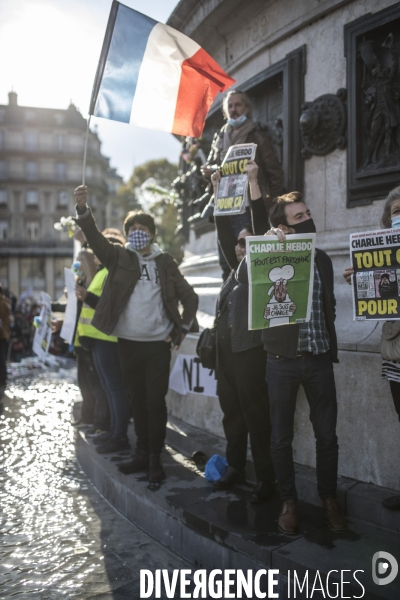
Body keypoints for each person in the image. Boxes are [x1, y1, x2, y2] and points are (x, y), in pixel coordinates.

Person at [73, 186, 198, 483]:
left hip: (157, 346)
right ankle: (141, 452)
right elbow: (94, 239)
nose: (138, 233)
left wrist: (179, 329)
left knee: (155, 402)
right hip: (127, 344)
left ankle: (155, 458)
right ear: (128, 233)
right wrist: (82, 210)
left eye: (143, 228)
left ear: (152, 234)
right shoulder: (119, 258)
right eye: (133, 228)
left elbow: (190, 298)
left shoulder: (165, 262)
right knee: (136, 401)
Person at [238, 191, 346, 535]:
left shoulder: (324, 259)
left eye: (308, 213)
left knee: (327, 436)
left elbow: (329, 305)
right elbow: (242, 280)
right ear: (283, 226)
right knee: (280, 437)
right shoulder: (271, 255)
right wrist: (263, 247)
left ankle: (329, 500)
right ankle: (289, 502)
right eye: (299, 217)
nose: (308, 219)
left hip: (318, 361)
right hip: (281, 362)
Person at [211, 162, 275, 502]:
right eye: (238, 243)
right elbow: (223, 233)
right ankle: (235, 467)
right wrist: (218, 191)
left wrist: (252, 182)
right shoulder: (232, 270)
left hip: (251, 358)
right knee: (232, 418)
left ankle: (266, 479)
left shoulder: (257, 270)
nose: (240, 246)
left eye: (247, 242)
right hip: (226, 363)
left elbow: (261, 225)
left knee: (256, 421)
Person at [343, 185, 400, 511]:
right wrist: (362, 281)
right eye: (395, 213)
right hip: (396, 353)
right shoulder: (383, 256)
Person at [202, 89, 284, 280]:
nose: (233, 109)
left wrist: (272, 207)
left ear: (247, 109)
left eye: (238, 105)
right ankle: (230, 301)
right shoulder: (220, 137)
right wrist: (210, 172)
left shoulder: (257, 137)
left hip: (247, 209)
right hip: (224, 207)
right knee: (226, 262)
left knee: (249, 260)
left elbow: (275, 173)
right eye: (229, 106)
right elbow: (214, 164)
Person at [75, 228, 131, 455]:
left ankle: (120, 435)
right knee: (108, 387)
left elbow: (109, 306)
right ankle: (113, 431)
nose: (95, 254)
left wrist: (87, 296)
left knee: (115, 388)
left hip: (108, 338)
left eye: (100, 250)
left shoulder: (111, 272)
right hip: (96, 339)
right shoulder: (101, 272)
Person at [0, 284, 10, 396]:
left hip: (1, 334)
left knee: (1, 359)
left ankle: (2, 379)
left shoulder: (1, 303)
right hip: (3, 334)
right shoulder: (4, 302)